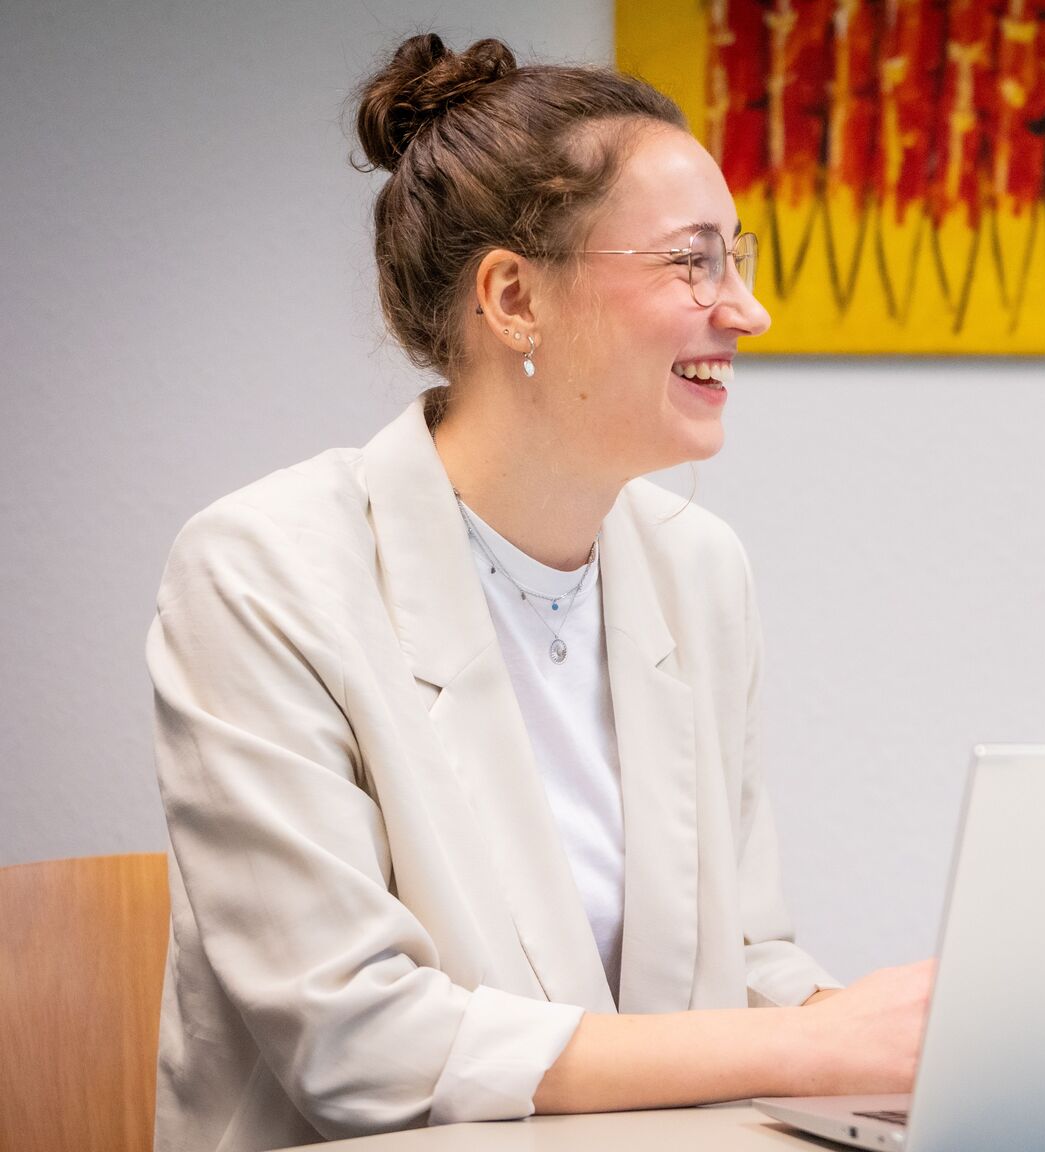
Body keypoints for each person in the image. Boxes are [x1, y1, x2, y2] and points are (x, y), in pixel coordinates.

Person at [147, 34, 929, 1151]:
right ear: (513, 296)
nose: (746, 311)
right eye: (692, 262)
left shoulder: (699, 571)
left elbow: (743, 959)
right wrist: (806, 1046)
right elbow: (359, 1045)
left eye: (737, 259)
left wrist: (900, 1034)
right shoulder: (258, 571)